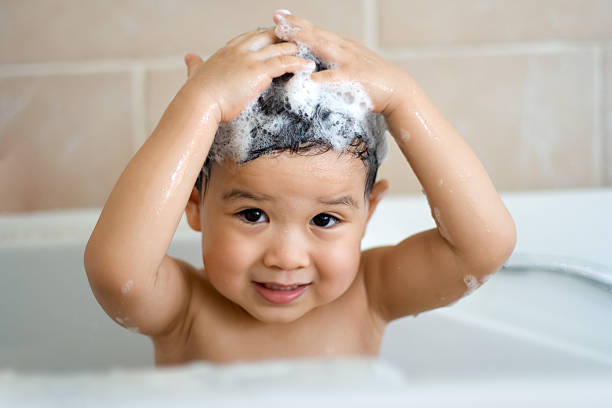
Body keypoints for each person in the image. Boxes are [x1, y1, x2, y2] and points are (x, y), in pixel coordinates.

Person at [84, 10, 516, 365]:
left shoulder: (371, 294)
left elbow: (483, 247)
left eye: (325, 219)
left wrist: (404, 98)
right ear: (194, 205)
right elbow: (117, 273)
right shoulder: (185, 310)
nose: (286, 258)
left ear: (368, 212)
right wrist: (201, 103)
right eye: (253, 214)